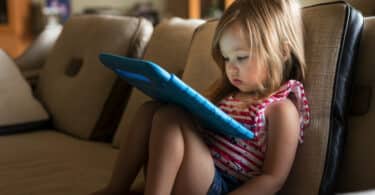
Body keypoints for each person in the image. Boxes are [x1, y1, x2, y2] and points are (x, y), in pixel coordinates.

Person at [93, 0, 310, 194]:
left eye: (241, 57)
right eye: (226, 58)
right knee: (150, 109)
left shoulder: (281, 108)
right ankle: (115, 189)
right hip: (188, 171)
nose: (231, 68)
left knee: (170, 117)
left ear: (282, 52)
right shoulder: (228, 94)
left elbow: (273, 179)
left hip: (219, 186)